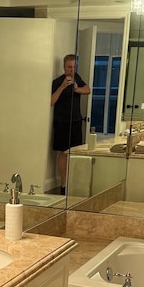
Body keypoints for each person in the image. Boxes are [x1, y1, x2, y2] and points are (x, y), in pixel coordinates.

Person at [51, 54, 91, 194]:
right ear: (64, 67)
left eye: (74, 67)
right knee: (64, 153)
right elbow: (50, 102)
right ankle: (63, 185)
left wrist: (77, 89)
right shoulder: (57, 82)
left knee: (75, 153)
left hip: (76, 121)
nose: (72, 70)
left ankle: (74, 183)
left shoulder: (77, 78)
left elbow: (88, 90)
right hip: (62, 122)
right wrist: (62, 87)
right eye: (69, 67)